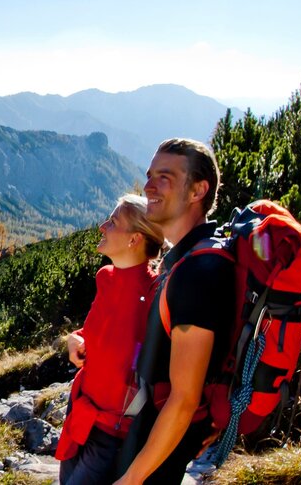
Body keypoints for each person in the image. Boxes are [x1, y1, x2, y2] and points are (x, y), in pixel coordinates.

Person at [114, 138, 235, 484]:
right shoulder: (189, 258)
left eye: (164, 177)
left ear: (198, 191)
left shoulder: (197, 273)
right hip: (158, 429)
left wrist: (133, 478)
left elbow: (183, 399)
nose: (148, 186)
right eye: (150, 175)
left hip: (160, 441)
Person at [56, 194, 164, 484]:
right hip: (80, 413)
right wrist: (73, 339)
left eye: (113, 222)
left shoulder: (156, 294)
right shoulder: (106, 277)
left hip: (113, 432)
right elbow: (91, 333)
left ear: (134, 240)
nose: (103, 226)